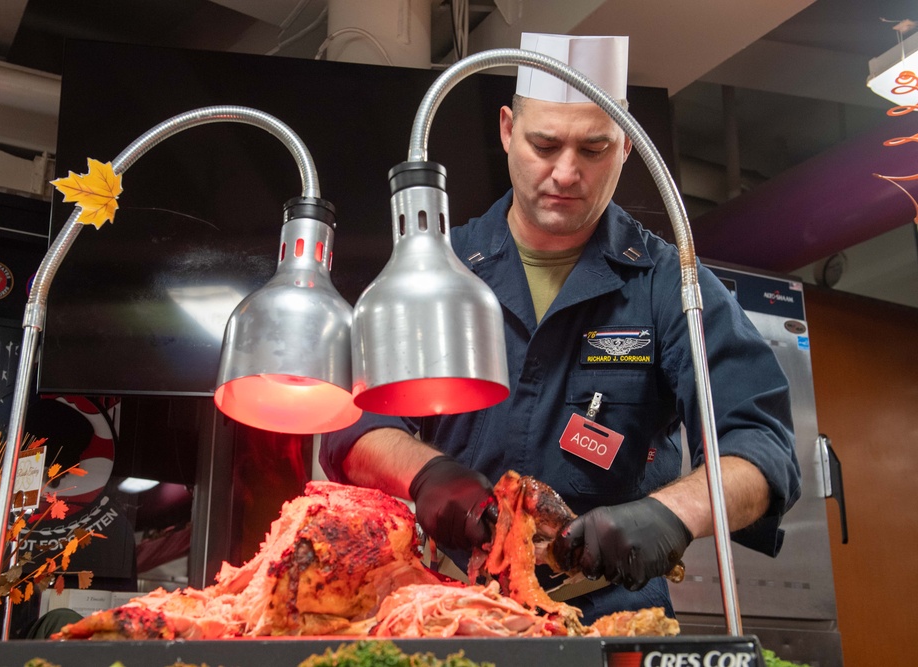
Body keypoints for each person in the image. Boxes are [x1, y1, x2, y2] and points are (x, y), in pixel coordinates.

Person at [320, 33, 801, 624]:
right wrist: (427, 473)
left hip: (612, 618)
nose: (566, 173)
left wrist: (670, 514)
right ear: (506, 130)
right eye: (544, 144)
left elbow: (762, 448)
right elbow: (356, 425)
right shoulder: (434, 269)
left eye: (594, 149)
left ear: (626, 145)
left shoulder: (668, 284)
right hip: (446, 609)